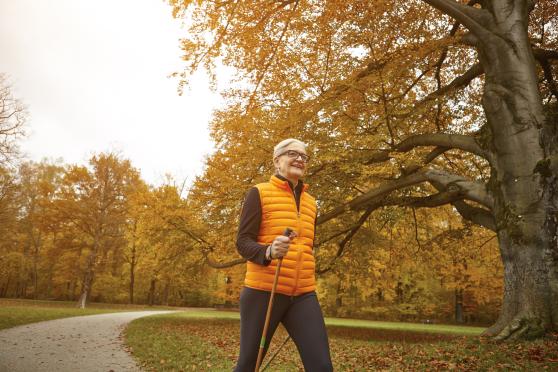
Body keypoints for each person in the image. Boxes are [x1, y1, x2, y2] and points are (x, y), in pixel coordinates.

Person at [234, 138, 333, 371]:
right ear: (277, 161)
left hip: (303, 295)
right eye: (292, 153)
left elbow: (308, 246)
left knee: (322, 366)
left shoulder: (311, 203)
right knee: (249, 364)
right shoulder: (258, 193)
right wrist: (268, 250)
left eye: (304, 156)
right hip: (263, 292)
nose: (299, 159)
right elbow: (242, 242)